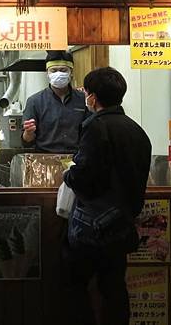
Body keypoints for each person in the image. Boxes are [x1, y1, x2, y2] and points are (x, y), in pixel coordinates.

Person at [61, 67, 152, 325]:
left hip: (92, 227)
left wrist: (68, 173)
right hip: (122, 225)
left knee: (74, 285)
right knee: (114, 288)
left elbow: (84, 178)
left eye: (86, 92)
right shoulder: (137, 130)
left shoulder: (96, 128)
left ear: (92, 97)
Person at [22, 50, 88, 153]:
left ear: (71, 72)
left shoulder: (83, 99)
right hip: (45, 161)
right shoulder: (34, 101)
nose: (58, 74)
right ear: (47, 73)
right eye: (54, 70)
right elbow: (26, 142)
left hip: (76, 160)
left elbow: (91, 132)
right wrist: (29, 132)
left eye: (63, 70)